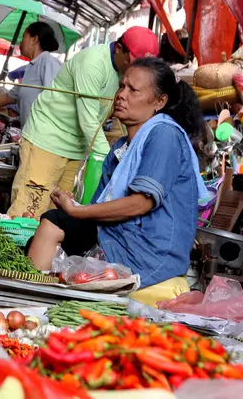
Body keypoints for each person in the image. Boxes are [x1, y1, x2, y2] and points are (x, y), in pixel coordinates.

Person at [27, 57, 208, 300]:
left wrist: (76, 212)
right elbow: (100, 207)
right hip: (119, 234)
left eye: (133, 90)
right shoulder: (122, 147)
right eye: (121, 86)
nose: (121, 95)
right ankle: (36, 300)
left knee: (53, 222)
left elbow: (141, 203)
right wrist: (74, 207)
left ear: (160, 101)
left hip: (150, 250)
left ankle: (31, 302)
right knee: (43, 231)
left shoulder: (164, 135)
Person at [7, 26, 159, 218]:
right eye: (132, 61)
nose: (133, 68)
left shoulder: (127, 72)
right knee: (27, 213)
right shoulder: (93, 62)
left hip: (77, 148)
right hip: (47, 140)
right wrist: (114, 158)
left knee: (56, 217)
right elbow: (88, 119)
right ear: (119, 48)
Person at [0, 22, 62, 124]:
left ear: (34, 39)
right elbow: (8, 97)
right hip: (29, 135)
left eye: (24, 37)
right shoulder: (31, 68)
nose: (20, 41)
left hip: (43, 137)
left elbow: (56, 101)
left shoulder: (48, 62)